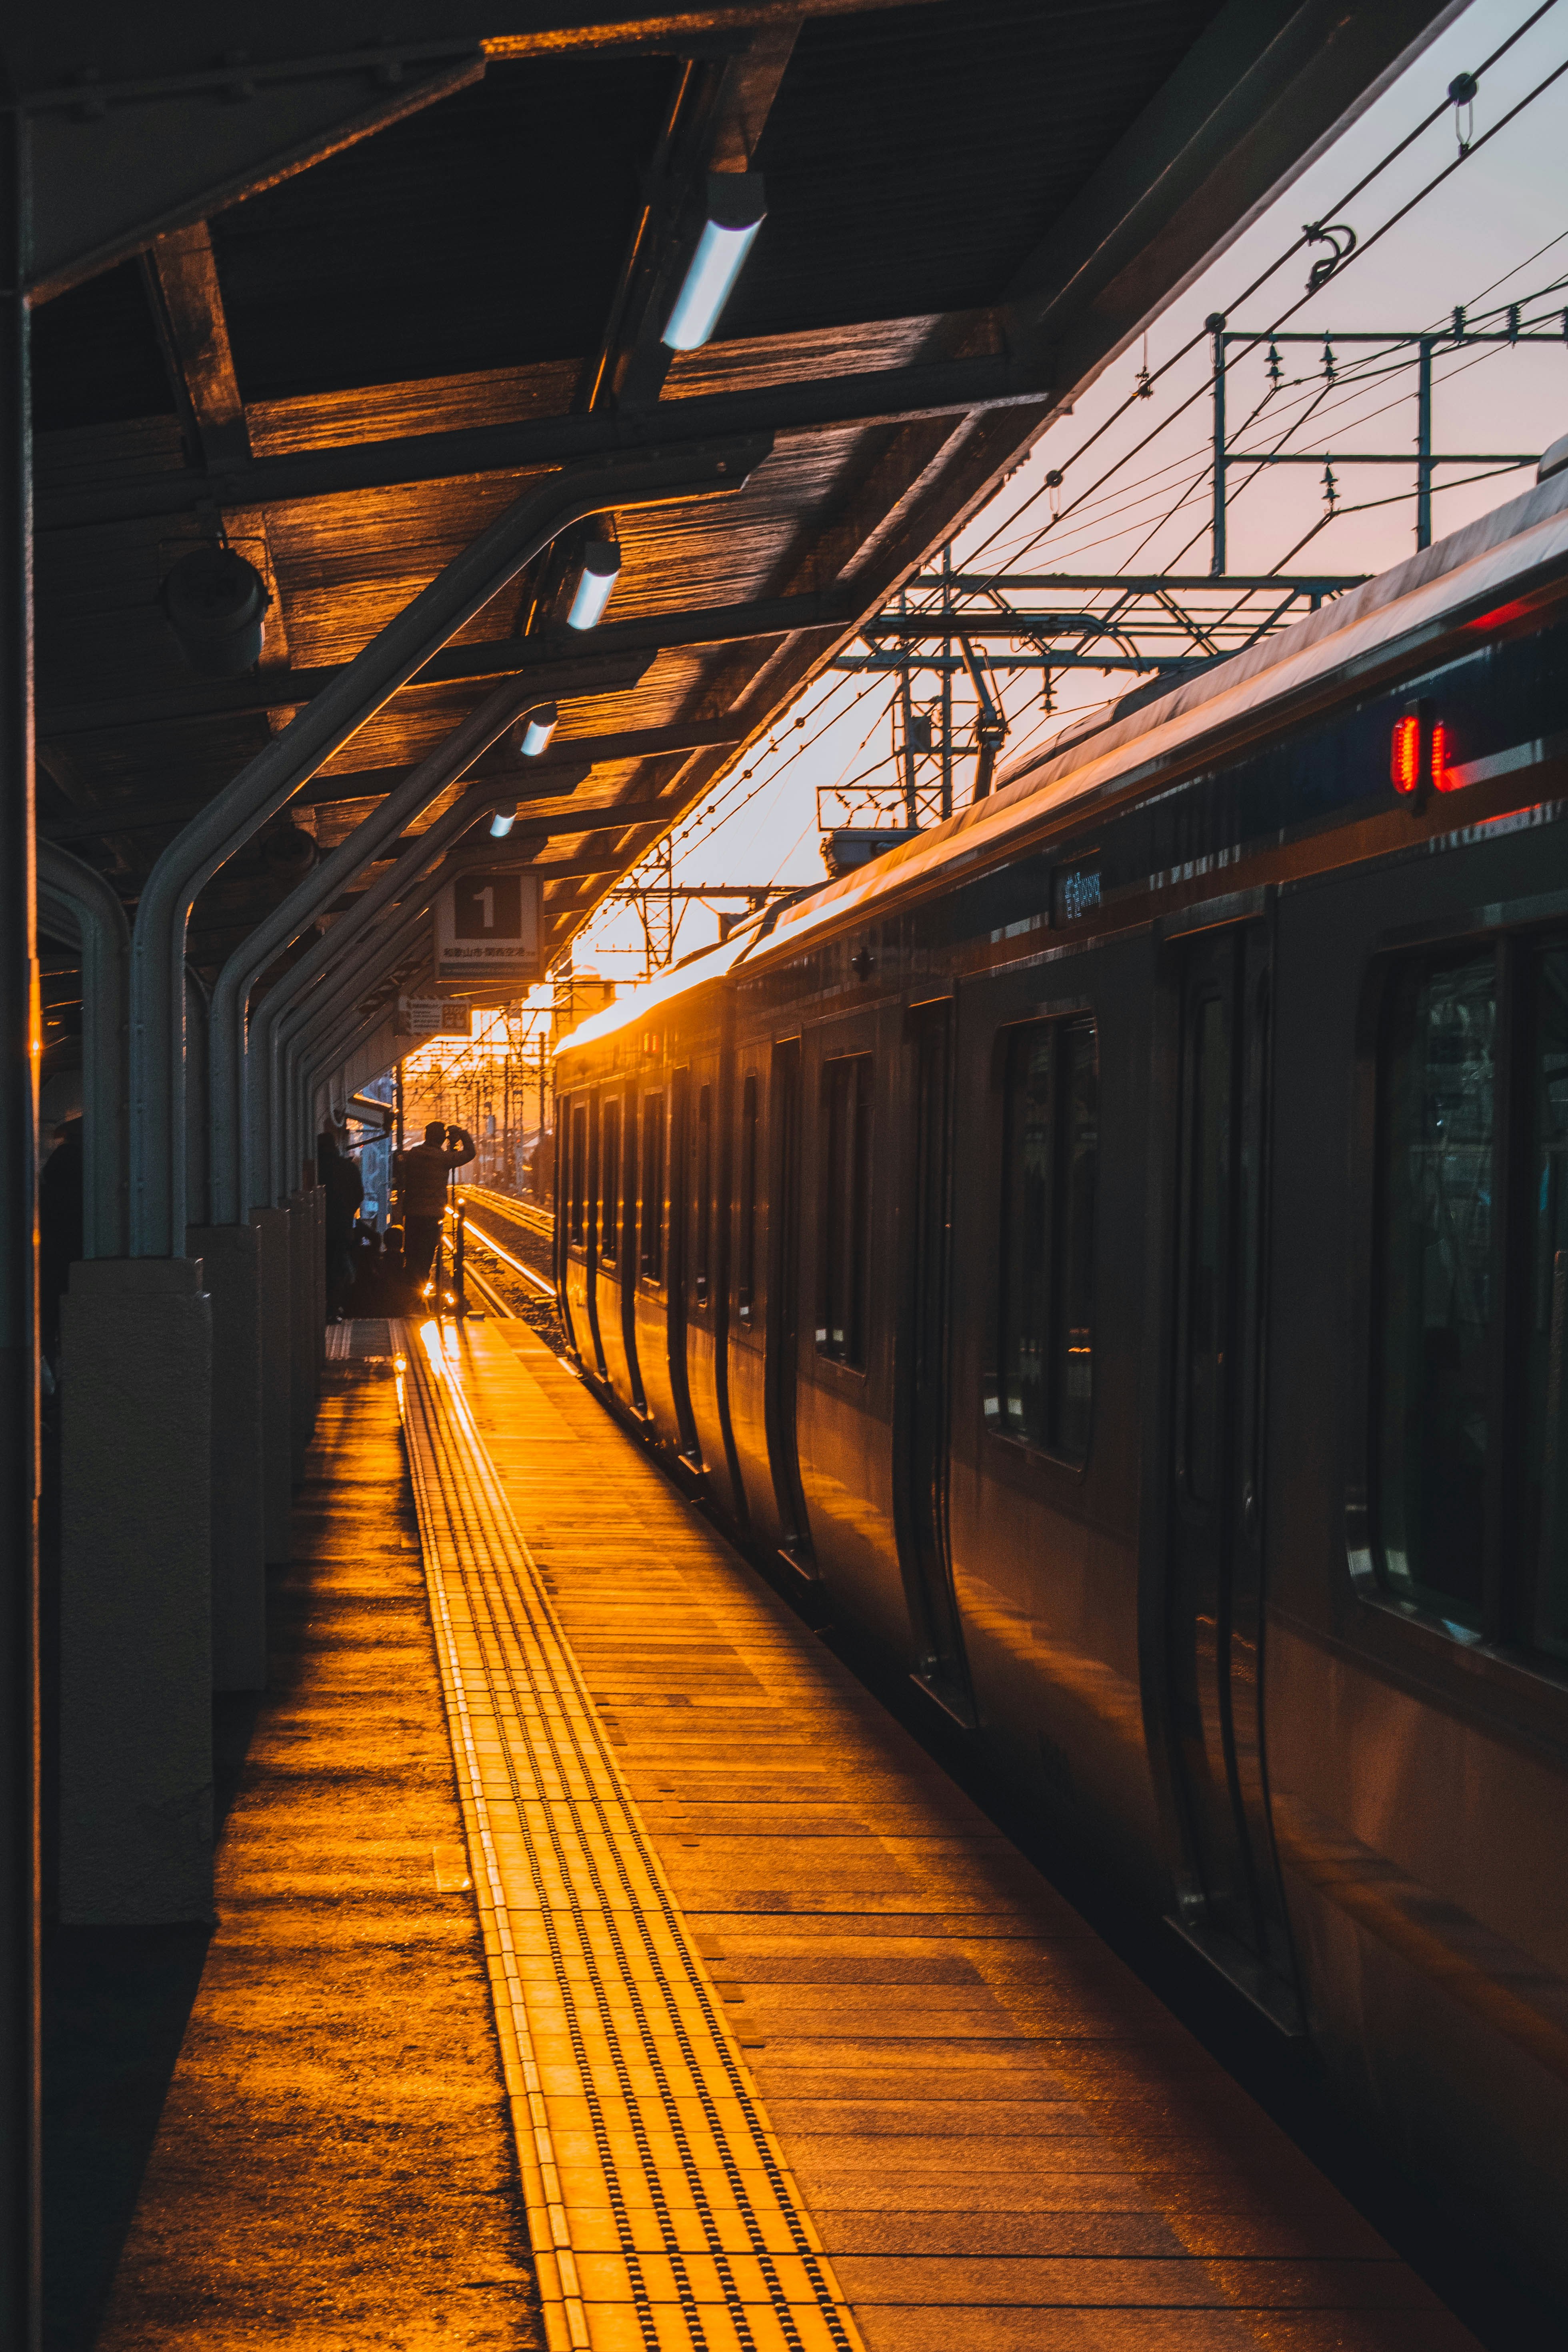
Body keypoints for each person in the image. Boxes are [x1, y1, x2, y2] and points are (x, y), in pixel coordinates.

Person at [394, 1121, 475, 1290]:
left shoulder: (414, 1154)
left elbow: (399, 1163)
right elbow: (470, 1153)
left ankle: (408, 1293)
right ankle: (419, 1294)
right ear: (442, 1139)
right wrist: (462, 1134)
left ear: (426, 1136)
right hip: (432, 1217)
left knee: (411, 1256)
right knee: (425, 1259)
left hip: (412, 1215)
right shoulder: (444, 1159)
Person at [318, 1123, 364, 1321]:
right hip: (343, 1229)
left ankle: (323, 1307)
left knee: (322, 1269)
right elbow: (359, 1195)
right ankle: (333, 1308)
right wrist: (347, 1213)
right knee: (339, 1269)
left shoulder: (317, 1169)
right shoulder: (348, 1167)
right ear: (336, 1146)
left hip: (319, 1229)